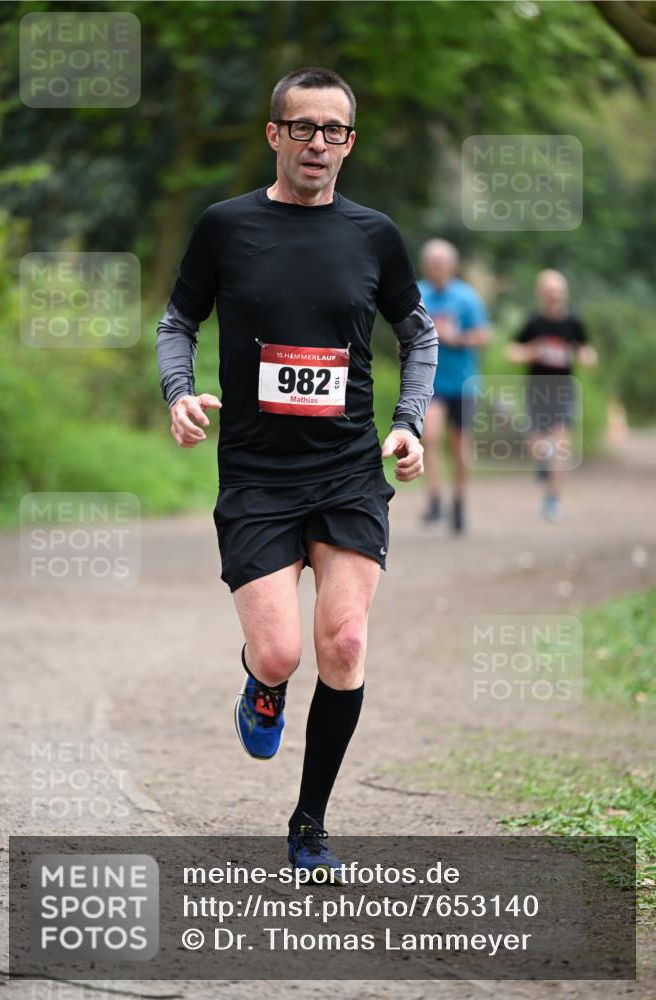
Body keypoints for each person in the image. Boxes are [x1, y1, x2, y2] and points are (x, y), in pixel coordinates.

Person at [156, 67, 438, 879]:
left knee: (343, 642)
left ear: (349, 142)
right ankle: (263, 684)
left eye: (334, 130)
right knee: (280, 652)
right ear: (274, 134)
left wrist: (408, 421)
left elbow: (418, 336)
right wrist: (178, 392)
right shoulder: (226, 226)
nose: (318, 143)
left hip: (348, 468)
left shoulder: (374, 235)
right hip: (256, 473)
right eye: (303, 127)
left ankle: (309, 826)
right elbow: (178, 321)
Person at [506, 269, 597, 521]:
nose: (555, 296)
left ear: (565, 294)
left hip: (564, 390)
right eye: (550, 292)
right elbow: (512, 351)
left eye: (559, 291)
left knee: (561, 444)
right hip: (537, 390)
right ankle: (543, 460)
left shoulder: (574, 324)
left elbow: (588, 353)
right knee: (536, 445)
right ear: (541, 294)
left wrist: (584, 356)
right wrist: (530, 353)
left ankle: (552, 498)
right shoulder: (534, 323)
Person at [418, 240, 491, 533]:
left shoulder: (466, 297)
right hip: (429, 382)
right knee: (429, 437)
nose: (436, 267)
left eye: (441, 262)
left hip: (462, 383)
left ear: (452, 265)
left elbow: (484, 337)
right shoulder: (417, 294)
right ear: (425, 265)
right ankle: (435, 499)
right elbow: (404, 333)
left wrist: (456, 338)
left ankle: (459, 500)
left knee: (460, 446)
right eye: (432, 262)